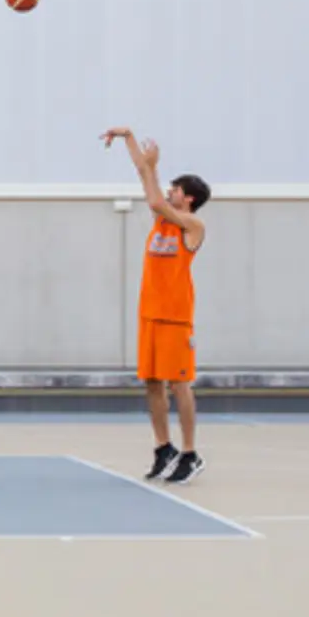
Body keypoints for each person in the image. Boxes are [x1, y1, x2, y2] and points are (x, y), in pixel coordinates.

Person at [104, 127, 210, 483]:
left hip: (176, 318)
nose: (169, 192)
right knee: (151, 383)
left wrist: (152, 167)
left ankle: (191, 453)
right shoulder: (162, 220)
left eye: (176, 190)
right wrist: (128, 139)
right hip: (149, 313)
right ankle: (164, 447)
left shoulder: (192, 226)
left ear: (189, 199)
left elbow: (153, 198)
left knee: (180, 385)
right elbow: (147, 183)